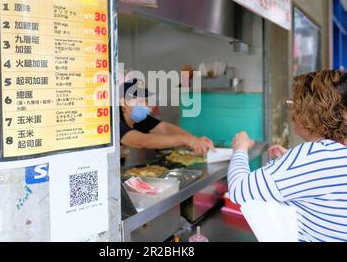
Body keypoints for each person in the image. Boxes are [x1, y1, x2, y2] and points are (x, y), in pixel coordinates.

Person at [228, 70, 347, 242]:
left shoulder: (311, 156)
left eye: (295, 103)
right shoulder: (335, 152)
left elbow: (239, 191)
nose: (292, 113)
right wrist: (291, 163)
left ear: (311, 111)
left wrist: (239, 149)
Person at [119, 79, 215, 158]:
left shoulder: (137, 117)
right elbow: (143, 141)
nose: (145, 105)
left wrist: (195, 140)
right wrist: (186, 140)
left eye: (146, 100)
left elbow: (163, 128)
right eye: (139, 101)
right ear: (123, 102)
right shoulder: (114, 121)